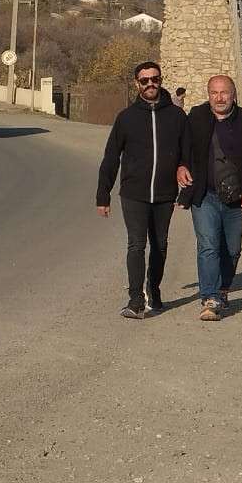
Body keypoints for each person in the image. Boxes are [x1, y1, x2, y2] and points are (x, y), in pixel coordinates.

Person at [95, 61, 187, 318]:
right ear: (137, 84)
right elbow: (111, 157)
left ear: (161, 80)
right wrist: (103, 195)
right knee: (136, 244)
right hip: (134, 193)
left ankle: (153, 290)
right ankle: (135, 300)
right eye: (144, 80)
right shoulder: (126, 118)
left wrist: (186, 187)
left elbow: (188, 154)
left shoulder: (177, 116)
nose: (150, 84)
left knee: (160, 245)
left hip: (165, 193)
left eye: (154, 79)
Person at [176, 75, 242, 321]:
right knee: (208, 245)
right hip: (204, 194)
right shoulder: (197, 116)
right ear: (208, 95)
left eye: (224, 92)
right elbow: (183, 146)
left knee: (232, 249)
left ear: (233, 95)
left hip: (236, 196)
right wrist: (181, 166)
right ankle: (210, 297)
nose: (219, 98)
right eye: (214, 93)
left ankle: (223, 289)